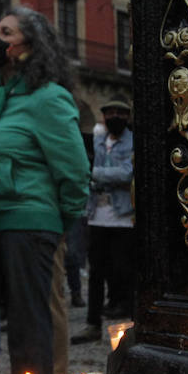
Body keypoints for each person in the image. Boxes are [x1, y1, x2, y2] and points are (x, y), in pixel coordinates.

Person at [0, 8, 89, 374]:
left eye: (5, 32)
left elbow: (75, 170)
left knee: (28, 323)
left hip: (28, 222)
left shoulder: (49, 98)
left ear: (28, 45)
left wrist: (57, 223)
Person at [72, 99, 134, 344]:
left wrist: (95, 174)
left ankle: (131, 325)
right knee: (96, 273)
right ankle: (92, 324)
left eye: (120, 112)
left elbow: (127, 173)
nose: (114, 116)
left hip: (124, 216)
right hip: (97, 215)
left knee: (124, 270)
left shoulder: (132, 141)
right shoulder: (98, 142)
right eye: (110, 112)